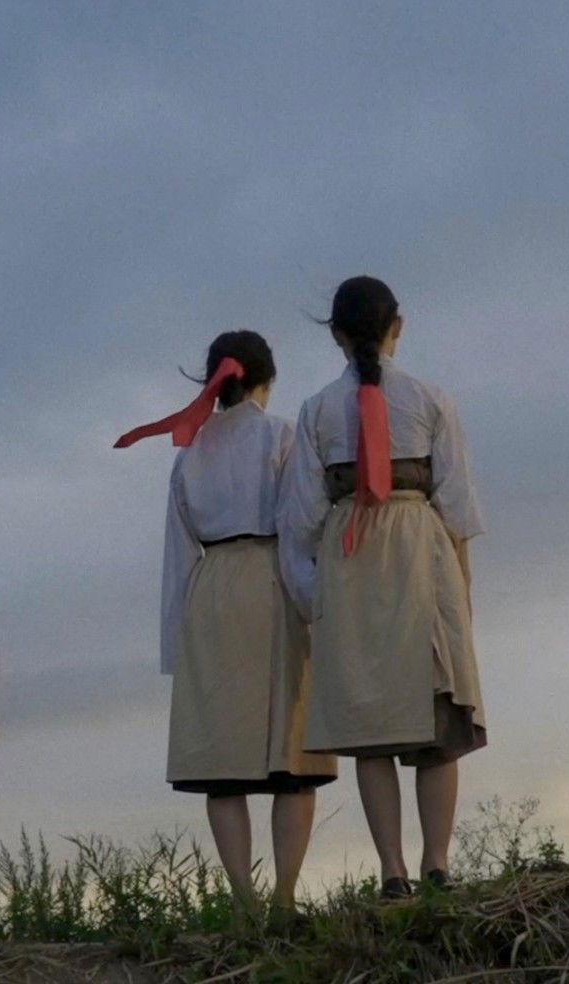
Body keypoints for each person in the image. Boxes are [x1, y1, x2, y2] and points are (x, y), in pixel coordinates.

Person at [117, 330, 339, 922]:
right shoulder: (283, 435)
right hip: (277, 581)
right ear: (268, 378)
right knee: (293, 758)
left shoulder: (190, 452)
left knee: (222, 764)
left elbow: (177, 552)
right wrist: (319, 604)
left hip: (211, 590)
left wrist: (175, 645)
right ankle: (284, 899)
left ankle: (245, 903)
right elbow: (302, 522)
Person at [278, 276, 486, 900]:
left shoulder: (316, 410)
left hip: (351, 562)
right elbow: (457, 508)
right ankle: (437, 864)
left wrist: (316, 598)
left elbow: (300, 519)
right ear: (399, 325)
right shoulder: (432, 399)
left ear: (336, 335)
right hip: (422, 555)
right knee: (436, 722)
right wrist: (462, 593)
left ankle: (392, 871)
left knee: (370, 723)